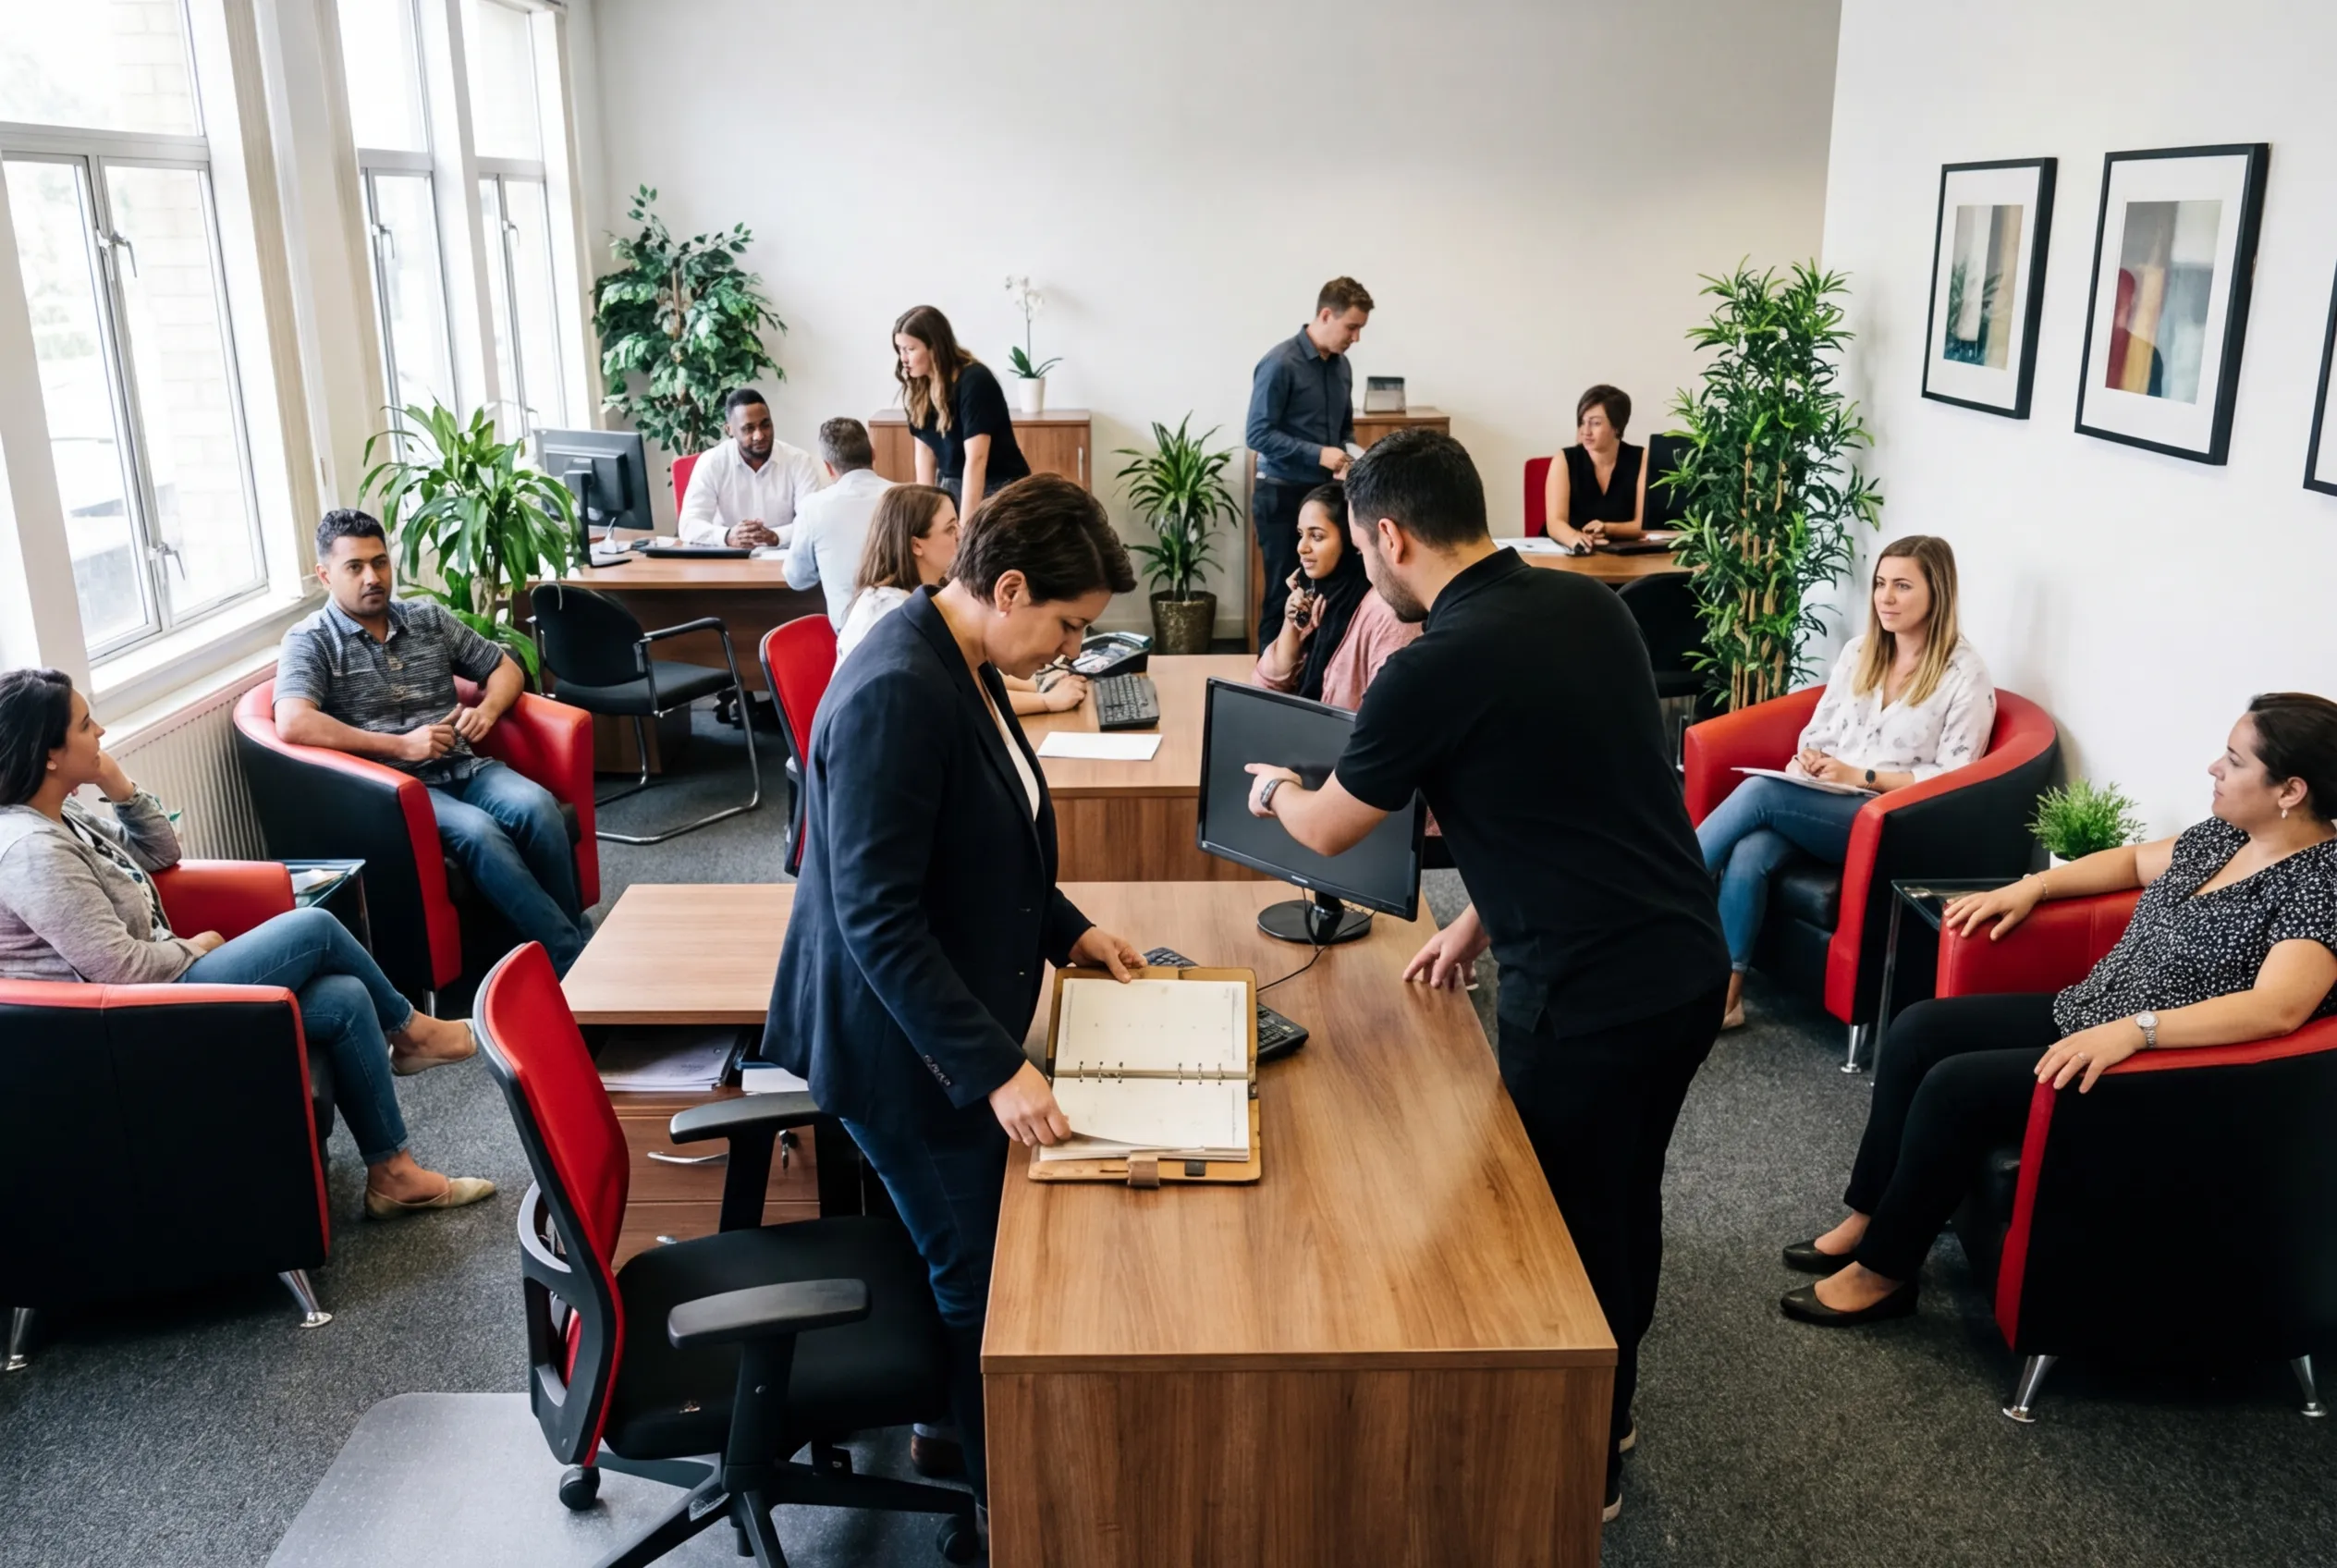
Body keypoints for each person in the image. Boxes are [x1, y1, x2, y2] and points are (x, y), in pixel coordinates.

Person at [1239, 429, 1728, 1524]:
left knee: (1562, 1223)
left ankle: (1577, 1456)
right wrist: (1477, 929)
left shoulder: (1431, 665)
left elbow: (1327, 827)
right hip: (1684, 957)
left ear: (1389, 534)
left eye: (1363, 549)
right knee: (1620, 1193)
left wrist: (1271, 790)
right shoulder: (1585, 606)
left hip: (1594, 993)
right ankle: (1611, 1406)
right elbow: (1572, 794)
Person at [765, 472, 1145, 1539]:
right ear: (1008, 586)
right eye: (1067, 626)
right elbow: (879, 917)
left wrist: (1068, 930)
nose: (1069, 650)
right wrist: (994, 1067)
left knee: (975, 1255)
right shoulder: (897, 687)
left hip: (935, 1021)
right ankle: (998, 1510)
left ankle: (942, 1427)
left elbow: (992, 839)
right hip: (897, 1052)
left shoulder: (959, 657)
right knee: (984, 1281)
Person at [1780, 693, 2337, 1327]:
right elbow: (2131, 861)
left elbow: (2279, 1010)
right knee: (1917, 1030)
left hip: (2165, 1068)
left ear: (2290, 790)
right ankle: (1871, 1215)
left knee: (1956, 1086)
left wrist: (2139, 1033)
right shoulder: (2226, 837)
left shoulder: (2321, 885)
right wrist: (2032, 886)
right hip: (2097, 1010)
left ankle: (1884, 1272)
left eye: (2234, 761)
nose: (2214, 767)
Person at [0, 668, 495, 1219]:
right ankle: (411, 1032)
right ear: (48, 754)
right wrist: (197, 947)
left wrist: (122, 789)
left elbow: (161, 854)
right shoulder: (32, 852)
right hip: (123, 1031)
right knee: (315, 928)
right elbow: (120, 969)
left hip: (157, 992)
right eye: (87, 725)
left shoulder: (61, 812)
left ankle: (394, 1175)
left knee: (345, 999)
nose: (103, 731)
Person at [1696, 536, 1993, 1029]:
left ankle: (1660, 888)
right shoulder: (1860, 652)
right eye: (1880, 584)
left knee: (1760, 794)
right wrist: (1812, 758)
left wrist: (1863, 777)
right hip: (1823, 802)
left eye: (1902, 586)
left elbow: (1956, 782)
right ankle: (1727, 1000)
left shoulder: (1965, 675)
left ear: (1936, 593)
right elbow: (1819, 730)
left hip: (1888, 820)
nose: (1885, 598)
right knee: (1752, 848)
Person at [275, 509, 589, 974]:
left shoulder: (425, 619)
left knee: (539, 808)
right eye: (355, 567)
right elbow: (293, 723)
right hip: (398, 789)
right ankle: (573, 961)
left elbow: (505, 668)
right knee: (480, 834)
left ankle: (569, 939)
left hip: (466, 767)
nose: (372, 577)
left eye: (380, 563)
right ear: (325, 575)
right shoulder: (311, 640)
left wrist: (487, 710)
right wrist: (401, 746)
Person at [838, 483, 1088, 718]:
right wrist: (1047, 701)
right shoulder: (894, 613)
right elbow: (962, 696)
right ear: (916, 545)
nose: (961, 536)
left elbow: (976, 671)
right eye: (950, 528)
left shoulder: (922, 598)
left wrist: (1038, 682)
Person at [1245, 276, 1372, 647]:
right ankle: (1268, 686)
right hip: (1282, 497)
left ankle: (1314, 680)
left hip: (1325, 496)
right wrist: (1319, 453)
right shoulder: (1279, 363)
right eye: (1352, 327)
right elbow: (1257, 435)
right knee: (1284, 593)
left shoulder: (1342, 367)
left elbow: (1344, 430)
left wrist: (1349, 455)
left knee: (1330, 593)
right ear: (1326, 315)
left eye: (1361, 329)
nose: (1356, 338)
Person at [1249, 482, 1417, 707]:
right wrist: (1291, 626)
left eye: (1316, 536)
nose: (1301, 547)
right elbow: (1264, 688)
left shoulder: (1386, 611)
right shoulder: (1318, 597)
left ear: (1351, 540)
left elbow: (1386, 714)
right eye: (1301, 534)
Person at [892, 305, 1031, 520]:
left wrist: (966, 527)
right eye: (900, 349)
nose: (903, 359)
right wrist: (924, 518)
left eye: (910, 349)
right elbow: (925, 456)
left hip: (998, 487)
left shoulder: (975, 381)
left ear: (934, 348)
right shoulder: (920, 388)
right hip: (952, 485)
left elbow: (977, 459)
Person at [676, 386, 826, 549]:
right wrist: (727, 536)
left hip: (783, 561)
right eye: (748, 429)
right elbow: (688, 525)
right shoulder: (712, 462)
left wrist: (776, 536)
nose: (759, 435)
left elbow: (814, 523)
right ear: (729, 430)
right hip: (727, 561)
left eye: (765, 425)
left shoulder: (798, 460)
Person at [785, 416, 894, 628]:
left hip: (851, 636)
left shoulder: (813, 506)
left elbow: (797, 578)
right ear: (873, 454)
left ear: (829, 468)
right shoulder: (905, 496)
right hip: (908, 629)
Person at [1543, 385, 1648, 552]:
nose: (1586, 431)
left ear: (1617, 427)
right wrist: (1576, 538)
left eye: (1595, 423)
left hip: (1623, 555)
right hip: (1570, 553)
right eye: (1582, 422)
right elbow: (1555, 523)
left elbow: (1644, 525)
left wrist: (1607, 528)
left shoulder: (1641, 458)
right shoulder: (1564, 459)